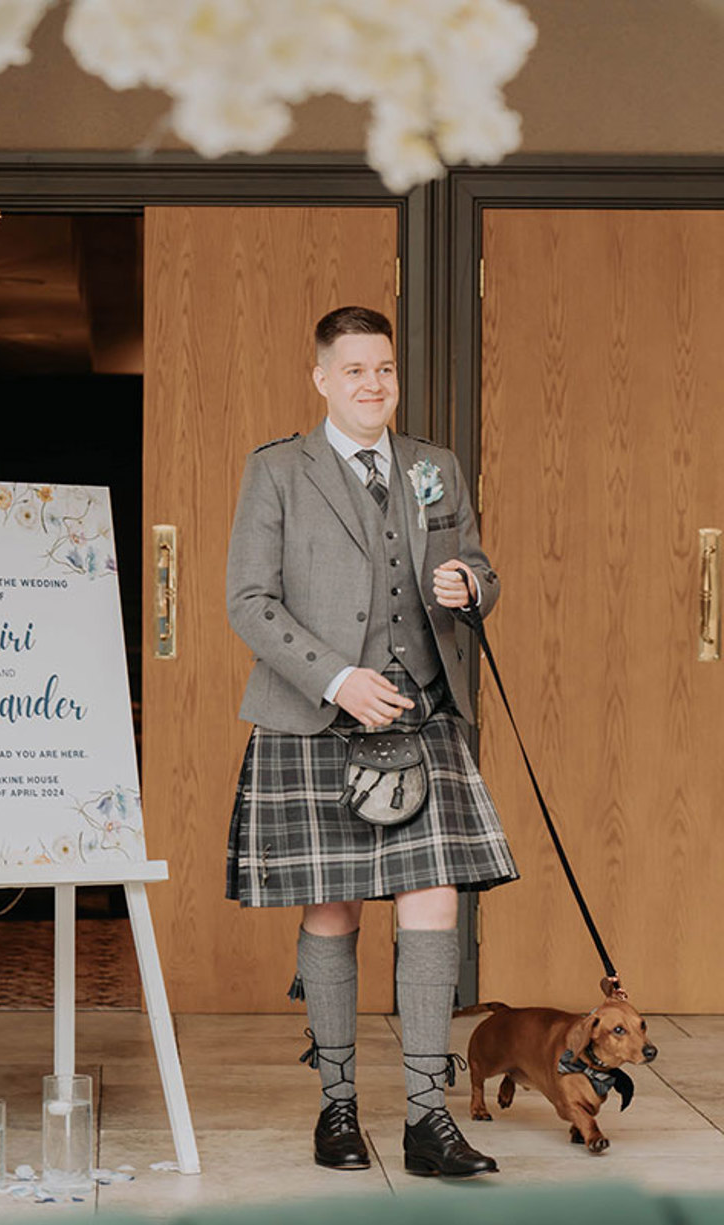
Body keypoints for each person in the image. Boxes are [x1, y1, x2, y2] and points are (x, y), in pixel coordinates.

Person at [225, 305, 518, 1178]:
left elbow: (476, 560)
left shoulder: (434, 465)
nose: (371, 384)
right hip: (318, 719)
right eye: (353, 369)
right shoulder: (277, 470)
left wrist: (472, 581)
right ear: (321, 378)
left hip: (424, 716)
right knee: (332, 909)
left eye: (383, 368)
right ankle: (337, 1109)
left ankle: (427, 1121)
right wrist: (335, 676)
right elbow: (248, 600)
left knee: (435, 900)